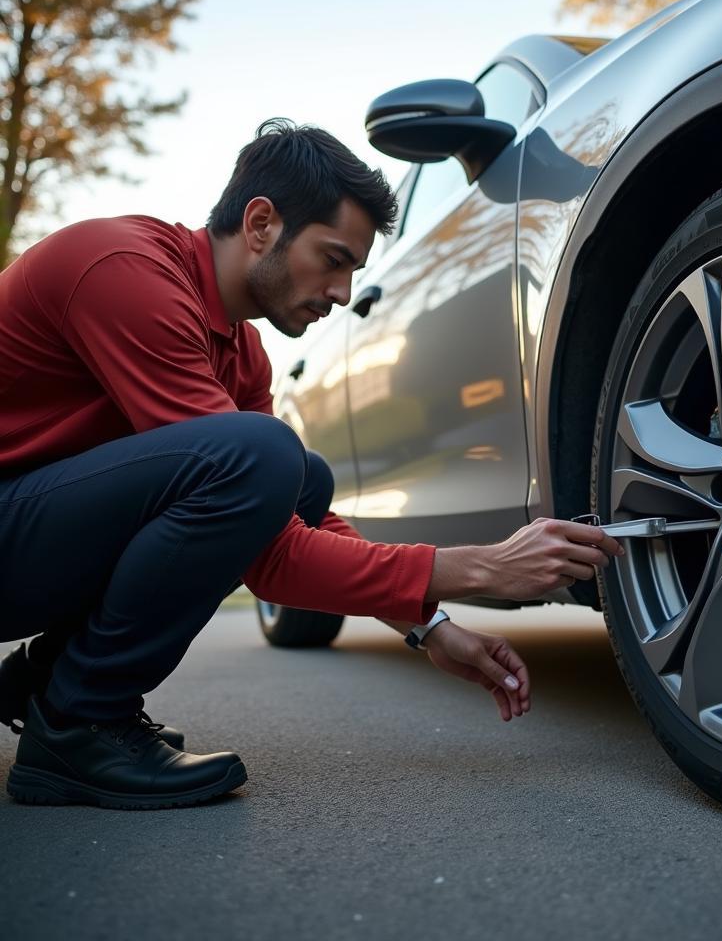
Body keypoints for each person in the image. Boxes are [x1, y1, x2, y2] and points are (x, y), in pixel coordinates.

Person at [0, 118, 621, 810]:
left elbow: (292, 515)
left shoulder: (241, 354)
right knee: (263, 456)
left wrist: (429, 625)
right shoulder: (120, 268)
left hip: (27, 535)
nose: (344, 291)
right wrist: (481, 566)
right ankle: (80, 720)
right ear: (261, 223)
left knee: (298, 472)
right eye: (333, 259)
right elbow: (267, 554)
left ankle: (50, 681)